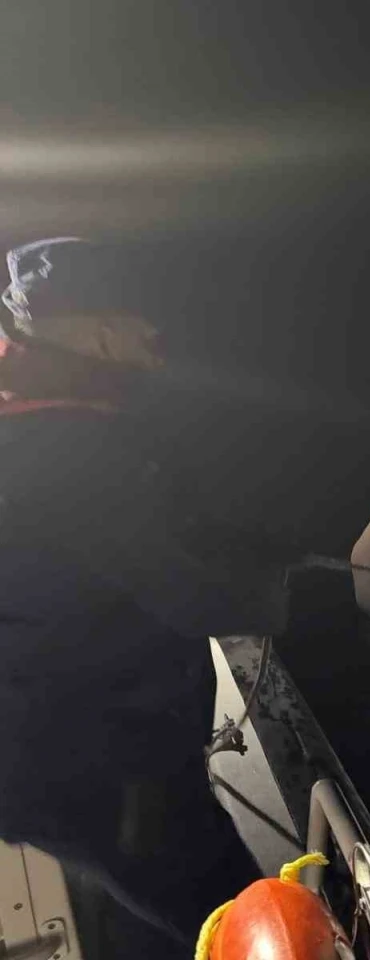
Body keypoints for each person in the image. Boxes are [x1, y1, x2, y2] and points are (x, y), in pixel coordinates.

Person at [1, 237, 285, 945]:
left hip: (47, 751)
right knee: (237, 921)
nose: (156, 350)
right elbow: (199, 595)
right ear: (97, 332)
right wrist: (323, 583)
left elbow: (131, 544)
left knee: (150, 906)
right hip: (92, 762)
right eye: (144, 328)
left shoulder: (28, 419)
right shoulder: (66, 448)